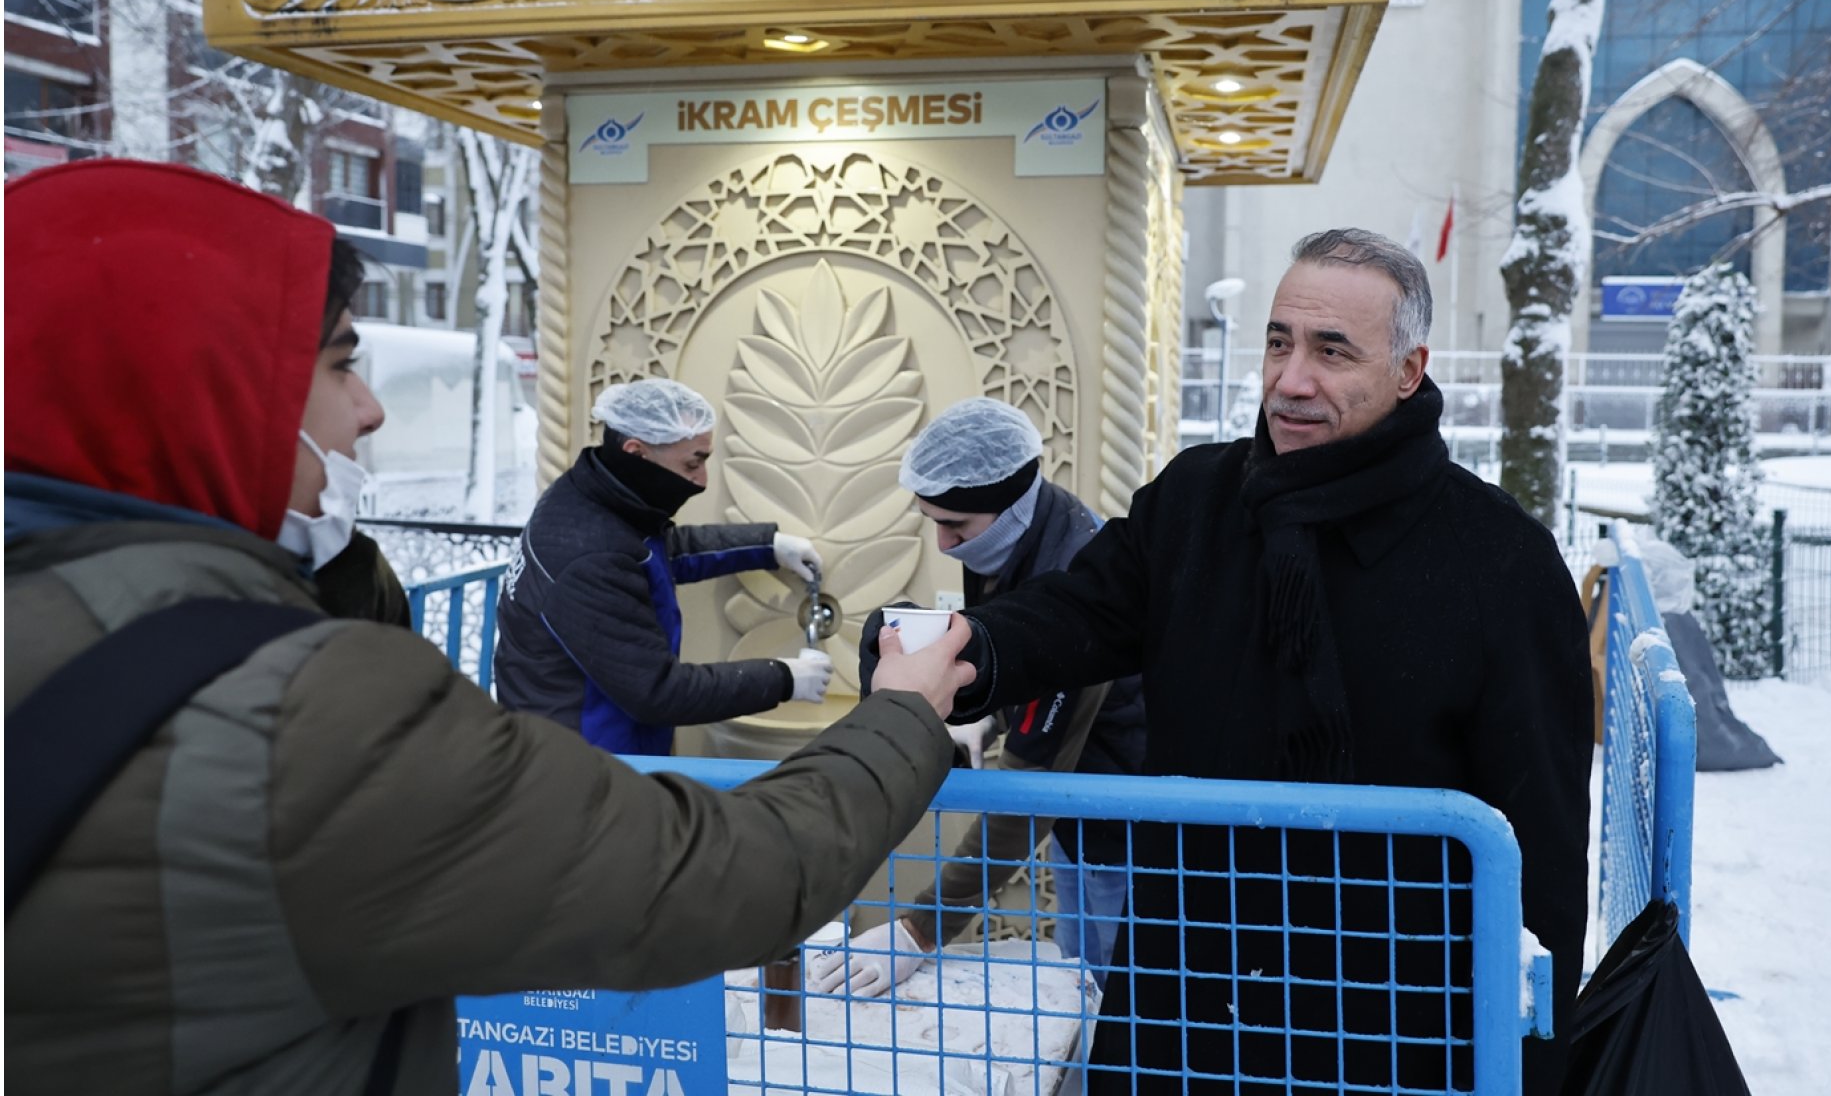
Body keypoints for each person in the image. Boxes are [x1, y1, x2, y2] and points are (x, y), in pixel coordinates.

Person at [4, 159, 972, 1091]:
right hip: (596, 766)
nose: (370, 410)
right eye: (341, 363)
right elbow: (718, 875)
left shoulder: (71, 617)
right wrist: (896, 711)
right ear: (204, 392)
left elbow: (667, 551)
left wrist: (763, 541)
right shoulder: (304, 712)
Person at [863, 228, 1592, 1093]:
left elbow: (1541, 852)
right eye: (1280, 343)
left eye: (1331, 351)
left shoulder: (1499, 562)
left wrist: (1529, 1063)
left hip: (1388, 1023)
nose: (1291, 379)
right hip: (1186, 994)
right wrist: (964, 650)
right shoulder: (1197, 501)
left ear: (1409, 370)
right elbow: (1079, 610)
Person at [807, 398, 1145, 996]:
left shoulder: (1074, 576)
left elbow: (1028, 791)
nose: (943, 545)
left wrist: (921, 928)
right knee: (1085, 990)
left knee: (1126, 1005)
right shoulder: (1014, 538)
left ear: (1011, 507)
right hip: (1078, 822)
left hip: (1128, 832)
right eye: (933, 522)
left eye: (956, 527)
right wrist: (986, 717)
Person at [493, 377, 833, 754]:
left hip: (599, 739)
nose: (702, 480)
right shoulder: (589, 556)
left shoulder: (593, 497)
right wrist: (784, 678)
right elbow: (658, 692)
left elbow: (660, 553)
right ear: (637, 452)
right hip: (580, 760)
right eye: (692, 463)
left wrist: (767, 546)